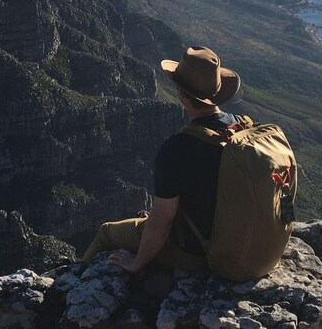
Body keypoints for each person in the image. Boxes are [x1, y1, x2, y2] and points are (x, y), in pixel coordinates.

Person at [82, 46, 242, 273]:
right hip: (243, 242)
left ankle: (69, 284)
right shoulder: (240, 129)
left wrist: (136, 263)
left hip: (201, 253)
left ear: (182, 93)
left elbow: (162, 223)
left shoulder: (177, 148)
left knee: (106, 232)